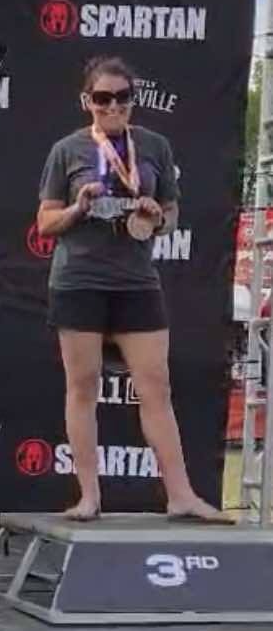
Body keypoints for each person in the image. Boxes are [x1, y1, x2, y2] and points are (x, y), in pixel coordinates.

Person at [36, 54, 226, 522]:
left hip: (136, 282)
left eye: (122, 97)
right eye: (103, 98)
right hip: (79, 280)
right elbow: (45, 223)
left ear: (133, 100)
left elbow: (172, 213)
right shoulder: (67, 150)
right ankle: (88, 496)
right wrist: (79, 208)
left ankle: (181, 495)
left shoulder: (155, 146)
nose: (113, 107)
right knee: (83, 387)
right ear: (87, 101)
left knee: (156, 386)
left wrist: (157, 217)